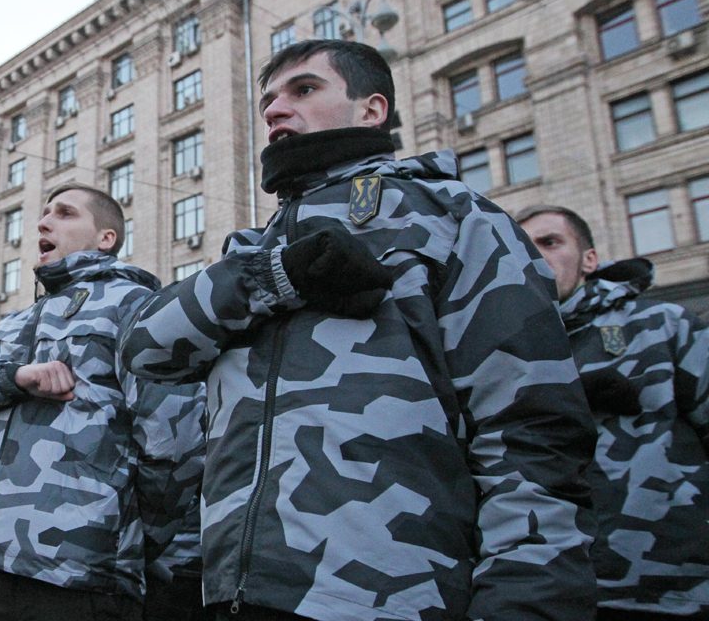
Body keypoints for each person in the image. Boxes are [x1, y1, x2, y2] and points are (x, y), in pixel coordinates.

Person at [118, 39, 599, 621]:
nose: (273, 109)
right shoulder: (255, 247)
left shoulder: (452, 217)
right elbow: (146, 348)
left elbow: (529, 428)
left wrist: (527, 599)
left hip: (385, 597)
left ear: (372, 111)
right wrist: (276, 276)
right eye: (269, 98)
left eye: (304, 89)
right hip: (238, 593)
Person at [0, 183, 205, 621]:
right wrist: (15, 378)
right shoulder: (15, 323)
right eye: (45, 213)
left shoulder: (134, 305)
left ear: (105, 239)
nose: (43, 221)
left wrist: (123, 531)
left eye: (65, 213)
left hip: (83, 574)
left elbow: (177, 441)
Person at [518, 205, 709, 619]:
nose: (535, 256)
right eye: (522, 247)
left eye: (550, 242)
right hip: (546, 595)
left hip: (670, 591)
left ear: (589, 259)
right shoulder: (499, 354)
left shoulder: (663, 325)